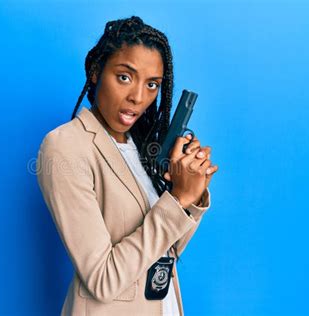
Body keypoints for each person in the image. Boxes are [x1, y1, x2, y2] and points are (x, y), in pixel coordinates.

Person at [36, 16, 219, 316]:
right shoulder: (65, 147)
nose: (138, 97)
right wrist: (177, 200)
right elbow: (102, 279)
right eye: (124, 77)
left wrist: (191, 192)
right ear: (96, 72)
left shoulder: (142, 147)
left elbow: (165, 250)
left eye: (151, 85)